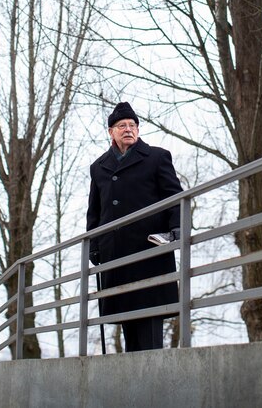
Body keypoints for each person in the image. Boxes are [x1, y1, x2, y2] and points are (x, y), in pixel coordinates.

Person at [86, 101, 182, 352]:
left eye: (132, 125)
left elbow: (175, 198)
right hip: (115, 253)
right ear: (111, 132)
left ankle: (151, 382)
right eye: (121, 125)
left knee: (150, 318)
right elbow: (94, 211)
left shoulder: (157, 157)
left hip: (149, 248)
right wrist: (93, 245)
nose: (128, 129)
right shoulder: (98, 167)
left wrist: (177, 231)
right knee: (127, 319)